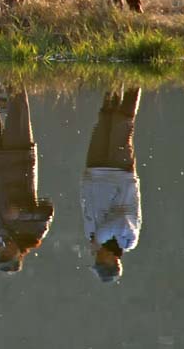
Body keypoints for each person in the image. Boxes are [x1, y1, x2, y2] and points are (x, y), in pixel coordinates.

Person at [0, 76, 54, 273]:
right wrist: (21, 213)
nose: (4, 252)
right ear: (19, 256)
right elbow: (47, 210)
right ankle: (15, 65)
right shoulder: (34, 234)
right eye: (8, 256)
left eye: (2, 256)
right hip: (19, 156)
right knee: (17, 103)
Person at [81, 86, 142, 283]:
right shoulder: (128, 240)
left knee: (105, 118)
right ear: (115, 261)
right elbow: (121, 219)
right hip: (118, 172)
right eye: (102, 262)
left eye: (97, 262)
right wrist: (98, 239)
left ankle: (113, 81)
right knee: (122, 123)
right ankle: (135, 80)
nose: (98, 258)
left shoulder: (93, 237)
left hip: (95, 170)